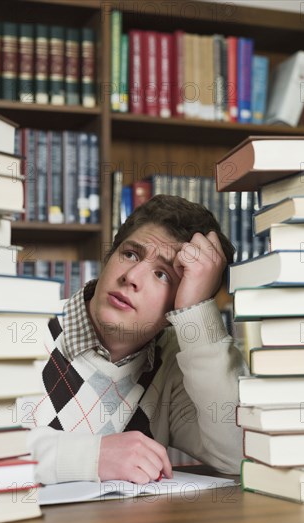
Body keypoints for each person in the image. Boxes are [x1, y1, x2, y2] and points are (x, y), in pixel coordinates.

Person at [21, 195, 247, 485]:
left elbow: (240, 452)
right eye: (131, 254)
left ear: (177, 304)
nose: (132, 276)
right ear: (109, 258)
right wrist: (92, 456)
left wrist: (197, 313)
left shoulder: (177, 367)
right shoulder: (22, 328)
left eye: (162, 275)